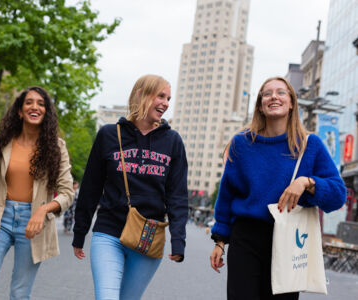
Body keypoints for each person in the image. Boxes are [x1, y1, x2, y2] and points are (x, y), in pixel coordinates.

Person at [209, 76, 346, 300]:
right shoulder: (241, 144)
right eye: (267, 93)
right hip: (246, 237)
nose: (274, 96)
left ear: (291, 102)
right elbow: (226, 196)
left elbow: (338, 195)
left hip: (289, 240)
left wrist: (306, 183)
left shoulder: (310, 144)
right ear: (260, 105)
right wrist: (220, 242)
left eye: (281, 92)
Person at [72, 74, 188, 300]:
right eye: (160, 96)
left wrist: (178, 240)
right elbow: (90, 187)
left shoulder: (173, 141)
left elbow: (177, 195)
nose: (165, 103)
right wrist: (80, 232)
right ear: (141, 94)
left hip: (148, 236)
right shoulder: (108, 134)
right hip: (109, 233)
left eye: (168, 98)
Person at [0, 86, 74, 299]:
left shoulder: (56, 146)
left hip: (33, 224)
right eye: (29, 102)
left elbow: (66, 193)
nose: (34, 107)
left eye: (41, 103)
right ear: (20, 110)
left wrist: (43, 210)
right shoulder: (2, 140)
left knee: (19, 293)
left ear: (46, 112)